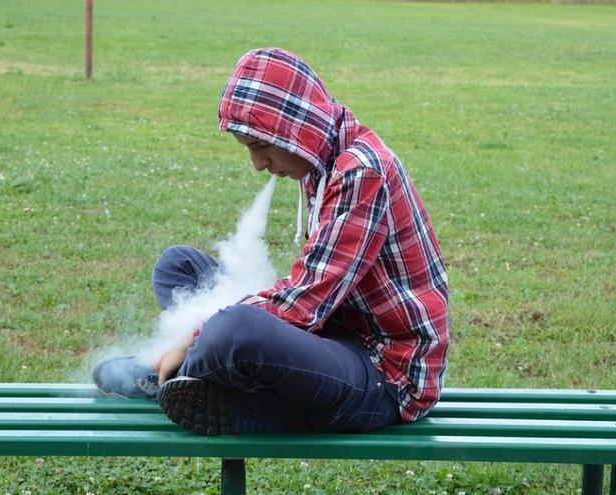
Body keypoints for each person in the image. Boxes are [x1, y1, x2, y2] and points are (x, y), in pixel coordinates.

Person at [94, 47, 449, 435]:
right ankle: (203, 376)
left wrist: (194, 336)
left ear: (296, 128)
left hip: (387, 376)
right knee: (178, 266)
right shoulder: (323, 160)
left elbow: (307, 300)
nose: (257, 164)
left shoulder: (362, 172)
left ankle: (178, 376)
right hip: (337, 333)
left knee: (234, 331)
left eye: (260, 145)